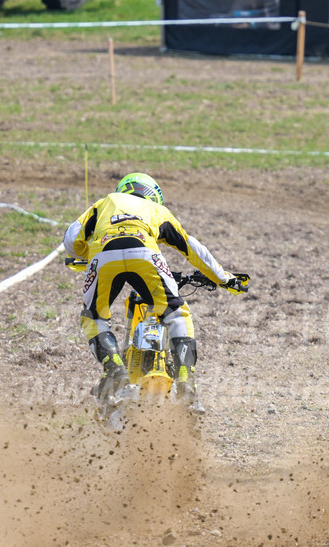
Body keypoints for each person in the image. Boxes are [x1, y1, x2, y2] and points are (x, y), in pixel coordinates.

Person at [62, 172, 246, 410]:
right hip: (144, 253)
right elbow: (191, 247)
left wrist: (85, 255)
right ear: (153, 195)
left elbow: (71, 239)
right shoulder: (156, 210)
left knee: (93, 317)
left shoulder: (104, 202)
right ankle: (185, 382)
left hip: (103, 254)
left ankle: (114, 368)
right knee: (177, 314)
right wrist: (225, 279)